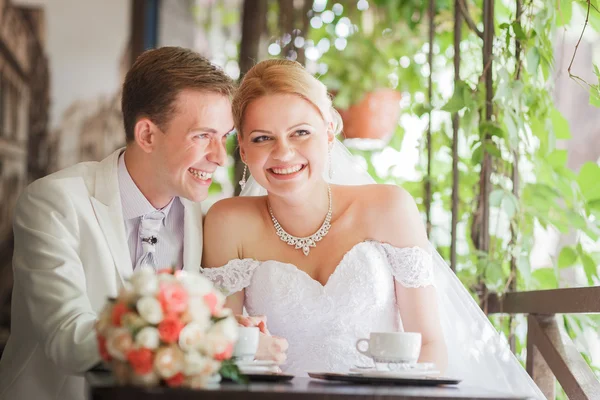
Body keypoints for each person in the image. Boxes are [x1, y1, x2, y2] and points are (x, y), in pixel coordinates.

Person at [201, 59, 544, 399]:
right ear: (243, 150)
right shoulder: (227, 223)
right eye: (263, 138)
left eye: (301, 132)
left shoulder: (389, 209)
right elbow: (221, 348)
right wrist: (240, 344)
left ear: (329, 131)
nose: (284, 152)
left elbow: (430, 343)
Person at [0, 46, 235, 400]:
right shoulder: (53, 203)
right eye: (203, 136)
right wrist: (198, 331)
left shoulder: (204, 218)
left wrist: (227, 331)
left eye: (225, 136)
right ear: (147, 135)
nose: (219, 156)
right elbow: (68, 339)